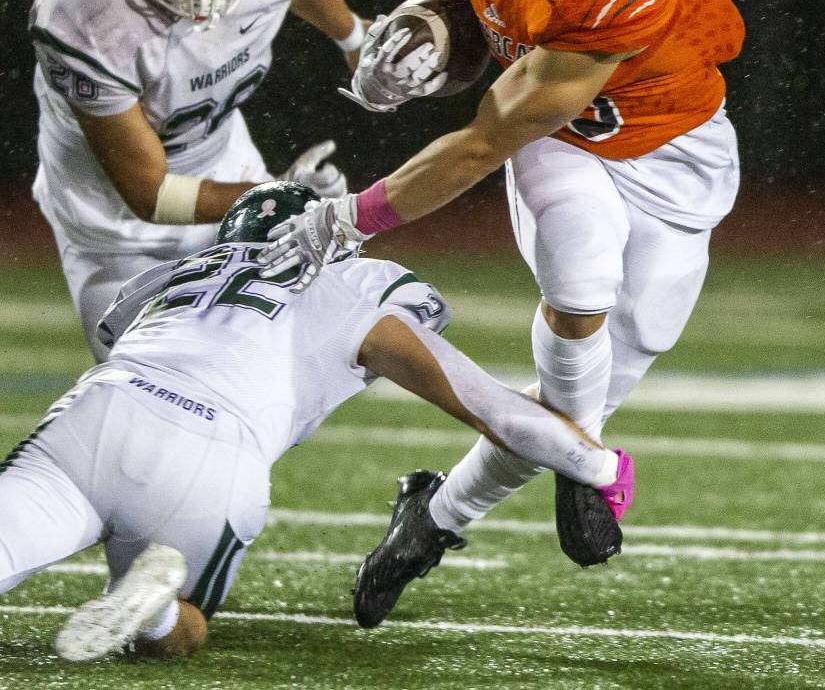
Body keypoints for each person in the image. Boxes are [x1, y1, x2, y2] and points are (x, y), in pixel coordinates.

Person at [258, 0, 745, 621]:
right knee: (582, 276)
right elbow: (460, 9)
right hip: (567, 143)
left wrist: (352, 217)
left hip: (676, 156)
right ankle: (584, 457)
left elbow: (484, 141)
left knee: (594, 379)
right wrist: (413, 42)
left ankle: (436, 515)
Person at [0, 180, 632, 660]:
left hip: (95, 414)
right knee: (179, 636)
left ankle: (134, 592)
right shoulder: (352, 289)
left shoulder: (172, 276)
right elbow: (498, 413)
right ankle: (156, 613)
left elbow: (118, 332)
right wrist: (600, 466)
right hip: (213, 456)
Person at [29, 0, 365, 361]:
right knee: (158, 392)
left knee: (331, 341)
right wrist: (281, 199)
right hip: (116, 232)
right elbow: (151, 194)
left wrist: (354, 38)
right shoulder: (85, 14)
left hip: (227, 170)